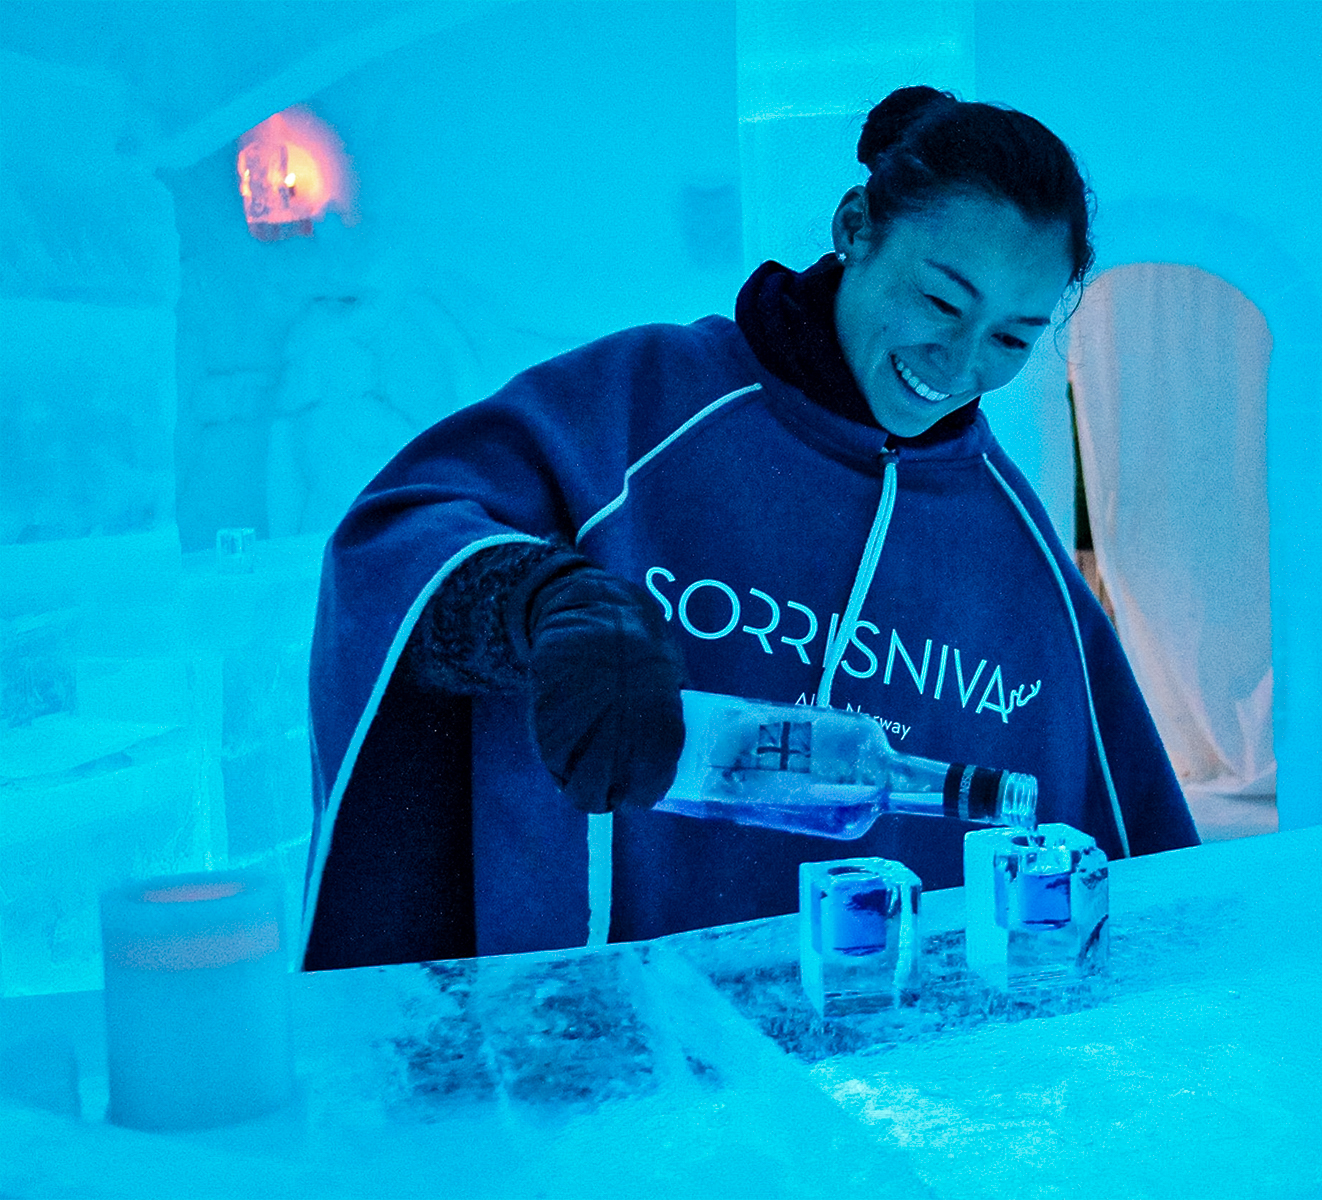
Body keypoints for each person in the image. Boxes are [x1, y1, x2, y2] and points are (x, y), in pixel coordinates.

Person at [302, 86, 1199, 971]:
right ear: (854, 227)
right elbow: (393, 545)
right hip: (598, 1044)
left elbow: (1140, 875)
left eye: (1011, 339)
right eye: (940, 301)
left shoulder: (1020, 556)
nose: (960, 364)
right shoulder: (645, 402)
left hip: (886, 1076)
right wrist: (540, 602)